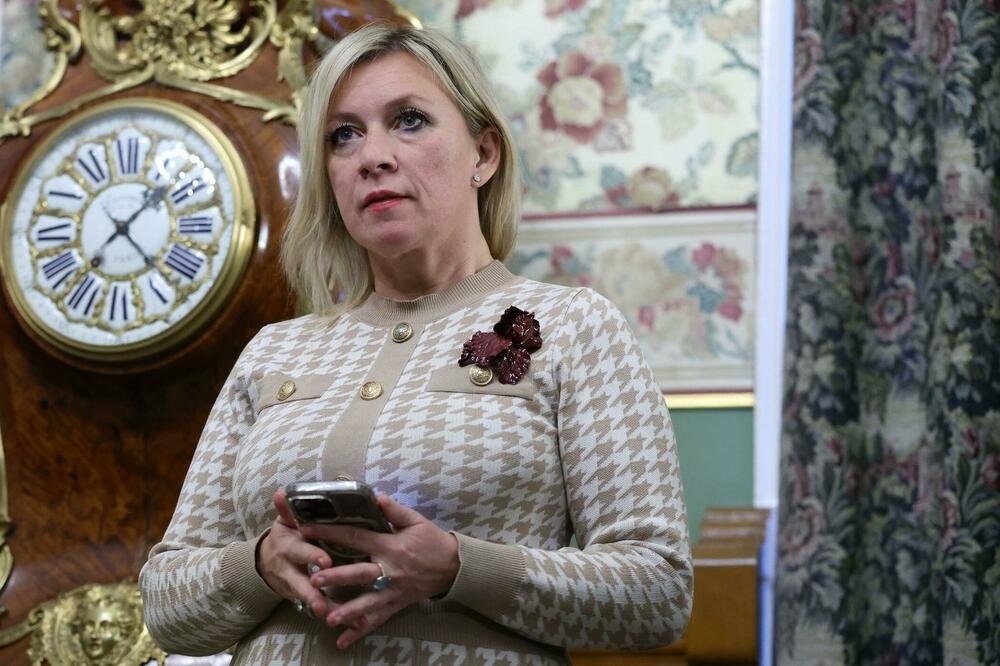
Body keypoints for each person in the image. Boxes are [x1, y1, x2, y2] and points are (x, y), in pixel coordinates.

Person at [139, 22, 692, 665]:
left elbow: (658, 591)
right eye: (343, 135)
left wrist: (459, 567)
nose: (372, 156)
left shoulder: (575, 327)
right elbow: (167, 610)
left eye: (409, 121)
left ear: (483, 154)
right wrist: (259, 564)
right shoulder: (274, 351)